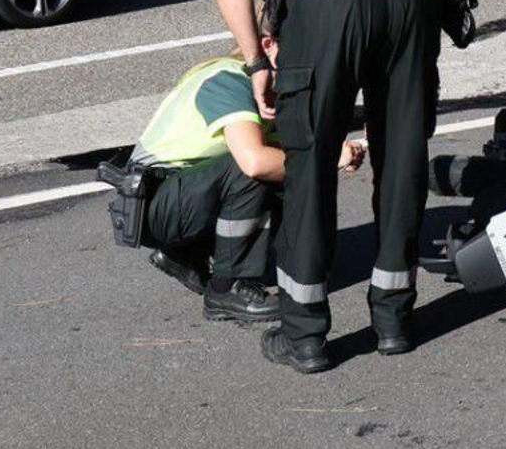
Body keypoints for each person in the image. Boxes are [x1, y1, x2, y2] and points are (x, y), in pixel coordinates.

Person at [211, 0, 443, 373]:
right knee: (403, 155)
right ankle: (394, 323)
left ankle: (305, 336)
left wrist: (256, 62)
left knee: (310, 162)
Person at [133, 25, 367, 323]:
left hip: (176, 194)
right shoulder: (230, 80)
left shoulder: (269, 85)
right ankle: (227, 289)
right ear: (268, 45)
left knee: (287, 165)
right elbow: (254, 162)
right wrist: (326, 160)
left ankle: (186, 253)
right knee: (256, 169)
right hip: (154, 203)